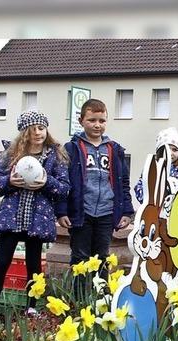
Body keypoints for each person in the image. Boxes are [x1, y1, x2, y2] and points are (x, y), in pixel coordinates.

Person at [0, 111, 70, 310]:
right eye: (32, 129)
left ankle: (32, 307)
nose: (38, 133)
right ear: (24, 133)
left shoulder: (55, 156)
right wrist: (10, 182)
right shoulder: (10, 154)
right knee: (2, 261)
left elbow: (64, 188)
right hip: (12, 217)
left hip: (37, 219)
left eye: (41, 128)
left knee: (33, 264)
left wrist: (45, 182)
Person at [57, 99, 134, 300]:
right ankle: (80, 300)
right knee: (80, 258)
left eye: (101, 120)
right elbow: (63, 181)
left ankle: (100, 300)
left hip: (106, 212)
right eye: (92, 120)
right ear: (81, 120)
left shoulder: (115, 149)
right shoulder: (72, 148)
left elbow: (123, 182)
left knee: (102, 257)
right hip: (82, 212)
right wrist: (62, 211)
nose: (97, 125)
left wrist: (127, 211)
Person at [134, 127, 178, 203]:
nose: (170, 153)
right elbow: (140, 187)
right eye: (167, 149)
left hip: (174, 212)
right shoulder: (151, 169)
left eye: (174, 150)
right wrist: (149, 201)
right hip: (153, 211)